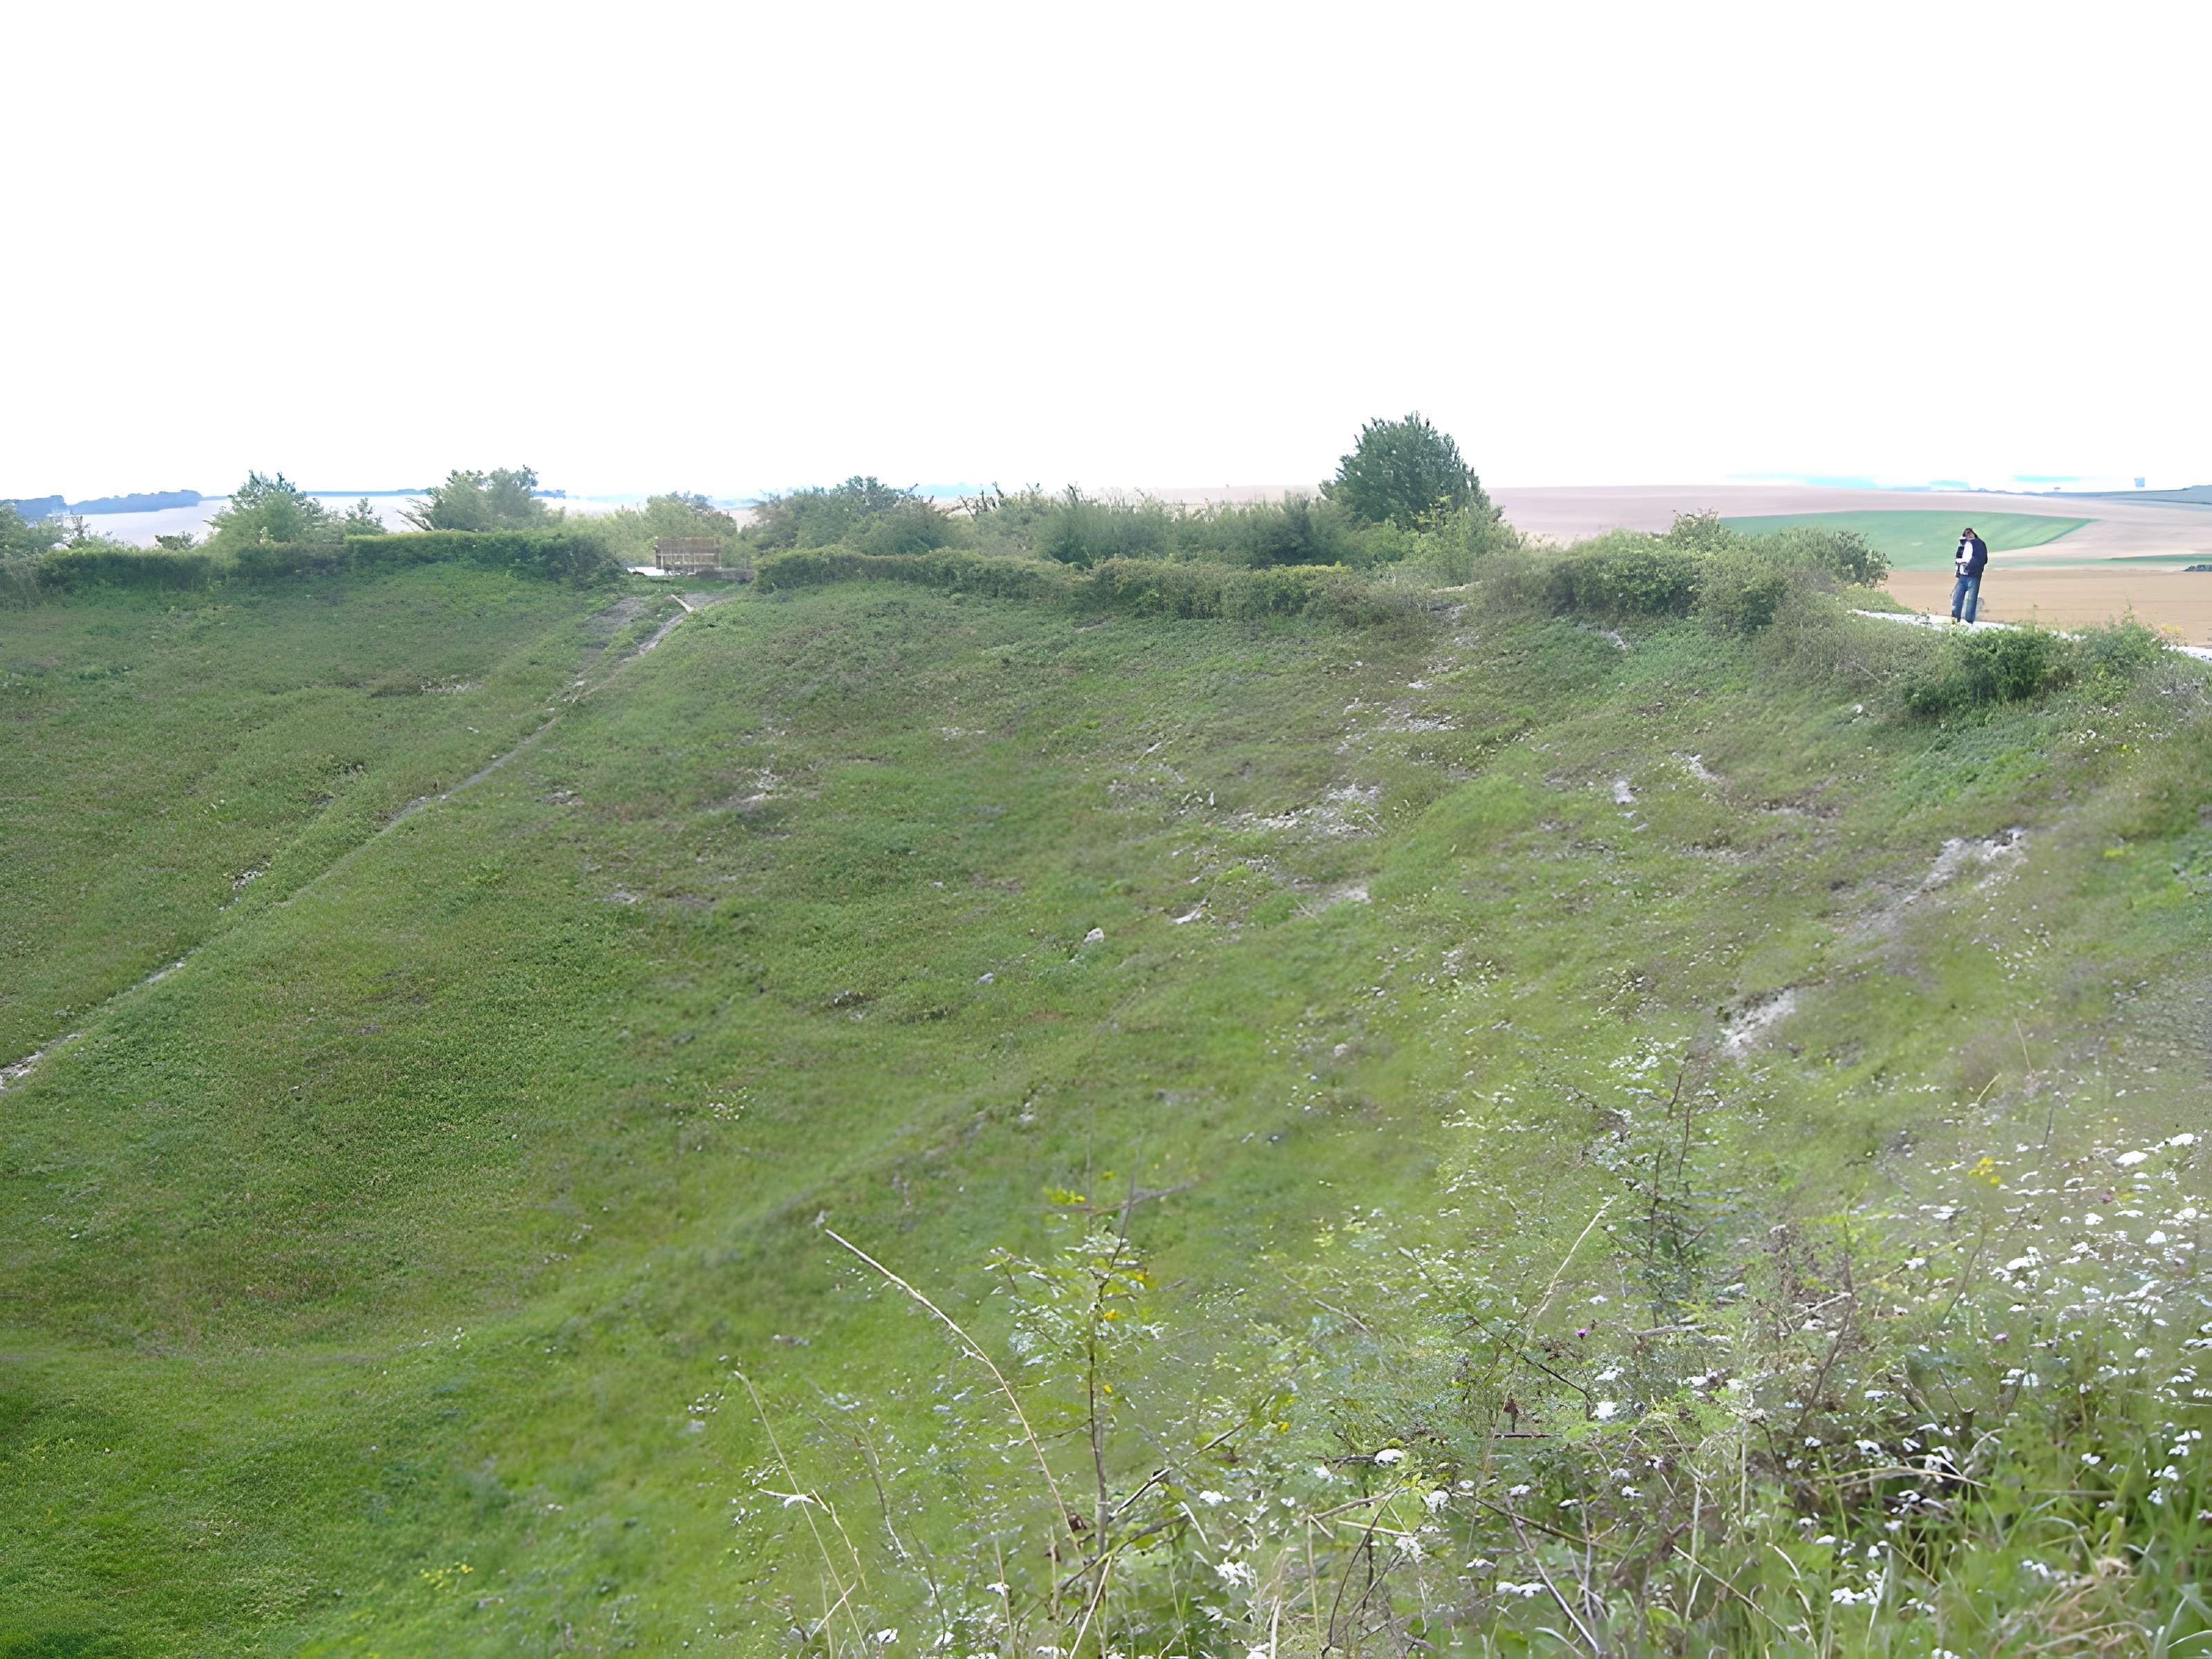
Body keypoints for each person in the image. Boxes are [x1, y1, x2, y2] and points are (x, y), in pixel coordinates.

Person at [1950, 526, 1989, 623]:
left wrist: (1961, 562)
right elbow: (1985, 560)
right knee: (1960, 599)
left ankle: (1964, 622)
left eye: (1969, 532)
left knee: (1966, 600)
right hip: (1968, 575)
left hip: (1971, 575)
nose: (1968, 534)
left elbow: (1964, 559)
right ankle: (1958, 621)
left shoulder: (1976, 544)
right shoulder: (1969, 544)